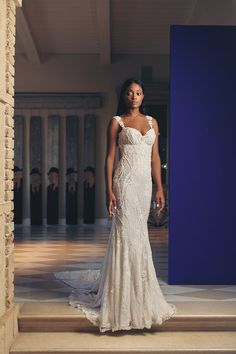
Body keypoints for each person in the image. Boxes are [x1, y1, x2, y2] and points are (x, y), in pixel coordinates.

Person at [54, 78, 177, 332]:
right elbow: (110, 157)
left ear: (143, 97)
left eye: (139, 92)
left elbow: (155, 157)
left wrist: (159, 186)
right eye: (130, 92)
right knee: (124, 236)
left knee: (139, 236)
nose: (134, 96)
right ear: (124, 96)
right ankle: (119, 298)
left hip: (144, 186)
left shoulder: (153, 122)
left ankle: (139, 294)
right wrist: (109, 188)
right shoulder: (116, 122)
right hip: (125, 183)